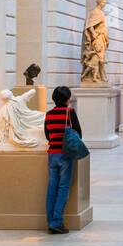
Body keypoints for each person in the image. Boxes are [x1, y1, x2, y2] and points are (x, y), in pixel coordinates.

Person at [44, 85, 82, 234]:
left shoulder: (49, 114)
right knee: (63, 187)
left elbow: (48, 135)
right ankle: (57, 221)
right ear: (67, 99)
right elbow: (79, 132)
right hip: (66, 154)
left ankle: (50, 221)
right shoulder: (69, 112)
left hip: (52, 154)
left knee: (52, 187)